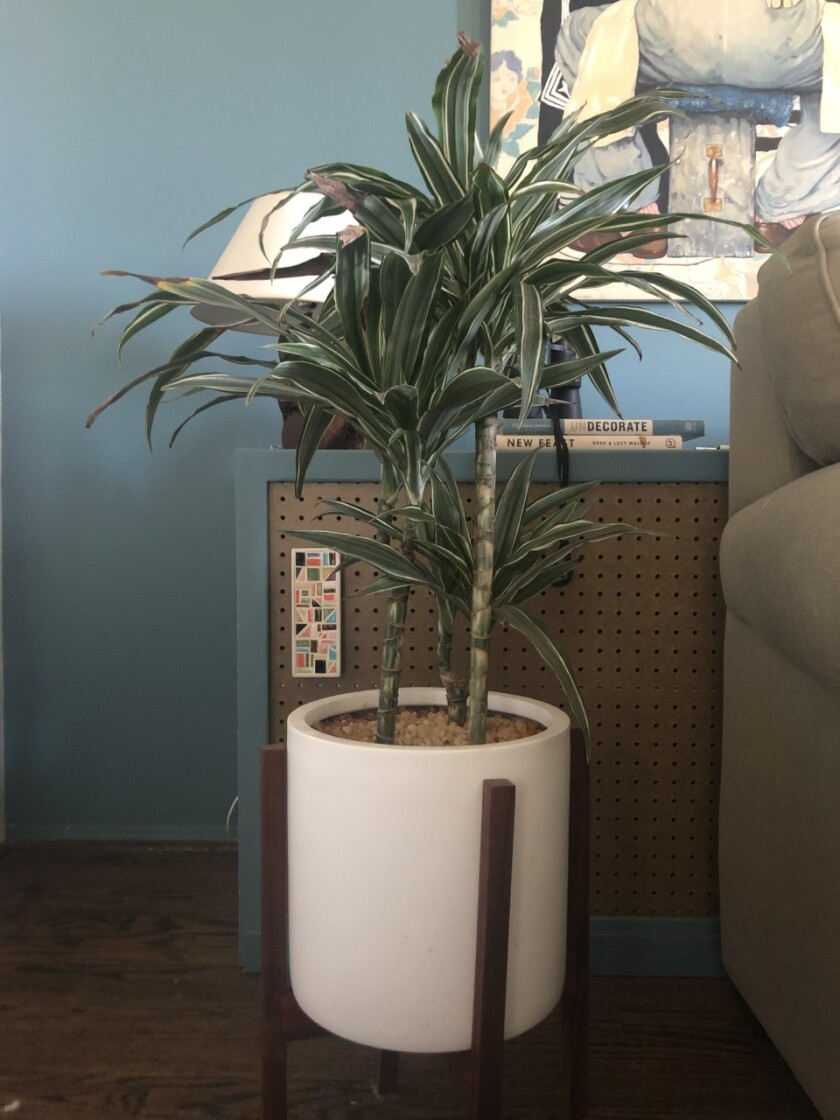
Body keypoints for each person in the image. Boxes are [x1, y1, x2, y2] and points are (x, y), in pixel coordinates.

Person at [542, 0, 840, 248]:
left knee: (582, 31)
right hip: (783, 40)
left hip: (679, 36)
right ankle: (787, 203)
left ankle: (628, 203)